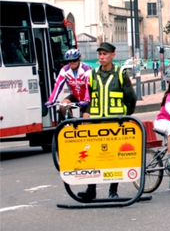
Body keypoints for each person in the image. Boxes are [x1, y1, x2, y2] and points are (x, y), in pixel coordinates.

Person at [78, 42, 136, 201]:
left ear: (113, 55)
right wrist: (86, 113)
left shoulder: (120, 74)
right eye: (100, 54)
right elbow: (86, 98)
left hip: (115, 124)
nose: (102, 57)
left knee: (113, 157)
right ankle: (91, 190)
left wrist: (125, 116)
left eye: (105, 54)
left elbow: (131, 98)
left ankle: (113, 190)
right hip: (96, 123)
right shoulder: (92, 74)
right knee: (93, 156)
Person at [46, 48, 91, 121]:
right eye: (69, 61)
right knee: (63, 106)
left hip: (88, 96)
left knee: (85, 117)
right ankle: (70, 125)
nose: (72, 63)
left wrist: (86, 100)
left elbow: (87, 86)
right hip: (75, 95)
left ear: (79, 60)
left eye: (74, 60)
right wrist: (51, 100)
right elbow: (58, 85)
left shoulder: (86, 69)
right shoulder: (65, 70)